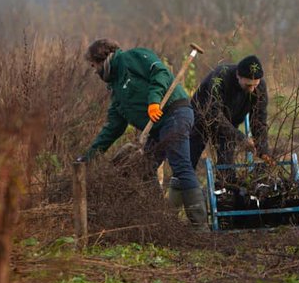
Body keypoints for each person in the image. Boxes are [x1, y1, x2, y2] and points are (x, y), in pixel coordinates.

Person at [77, 38, 207, 226]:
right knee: (145, 168)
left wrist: (154, 100)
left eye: (93, 65)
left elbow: (160, 72)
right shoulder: (115, 89)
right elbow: (112, 128)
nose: (94, 70)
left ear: (102, 58)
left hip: (175, 113)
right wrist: (89, 157)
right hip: (157, 127)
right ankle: (161, 219)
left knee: (181, 165)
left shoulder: (133, 57)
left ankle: (200, 225)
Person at [189, 55, 272, 179]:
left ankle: (224, 190)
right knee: (191, 156)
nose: (252, 89)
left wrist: (263, 149)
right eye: (248, 85)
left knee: (227, 163)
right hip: (202, 118)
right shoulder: (220, 78)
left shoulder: (259, 88)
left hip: (229, 123)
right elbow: (214, 114)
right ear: (238, 75)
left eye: (255, 85)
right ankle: (183, 187)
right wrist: (241, 139)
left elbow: (259, 119)